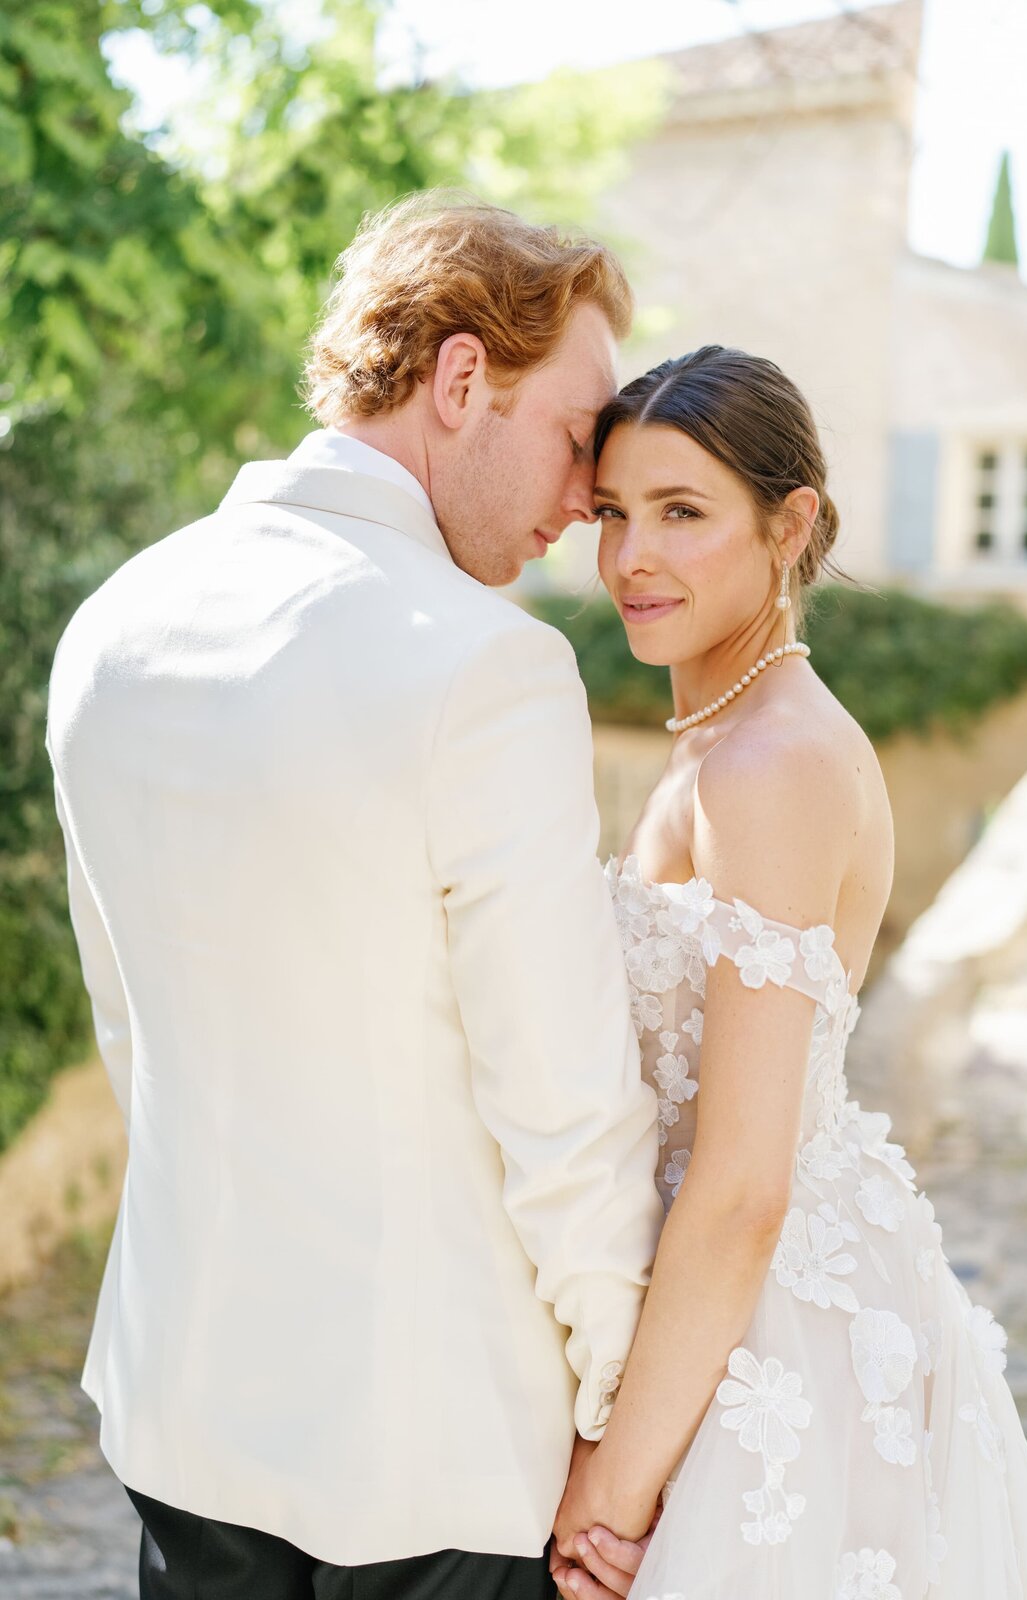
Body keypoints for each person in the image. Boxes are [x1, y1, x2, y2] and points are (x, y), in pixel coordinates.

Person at [45, 194, 663, 1599]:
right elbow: (559, 1105)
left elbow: (133, 1035)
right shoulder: (484, 669)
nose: (585, 498)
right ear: (461, 381)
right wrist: (630, 1427)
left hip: (184, 1402)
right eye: (577, 438)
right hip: (429, 1453)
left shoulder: (113, 627)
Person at [549, 347, 1027, 1600]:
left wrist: (616, 1487)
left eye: (682, 512)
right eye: (612, 513)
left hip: (766, 1339)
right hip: (702, 1310)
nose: (632, 555)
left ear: (789, 522)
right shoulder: (718, 737)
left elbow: (744, 1180)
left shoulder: (773, 765)